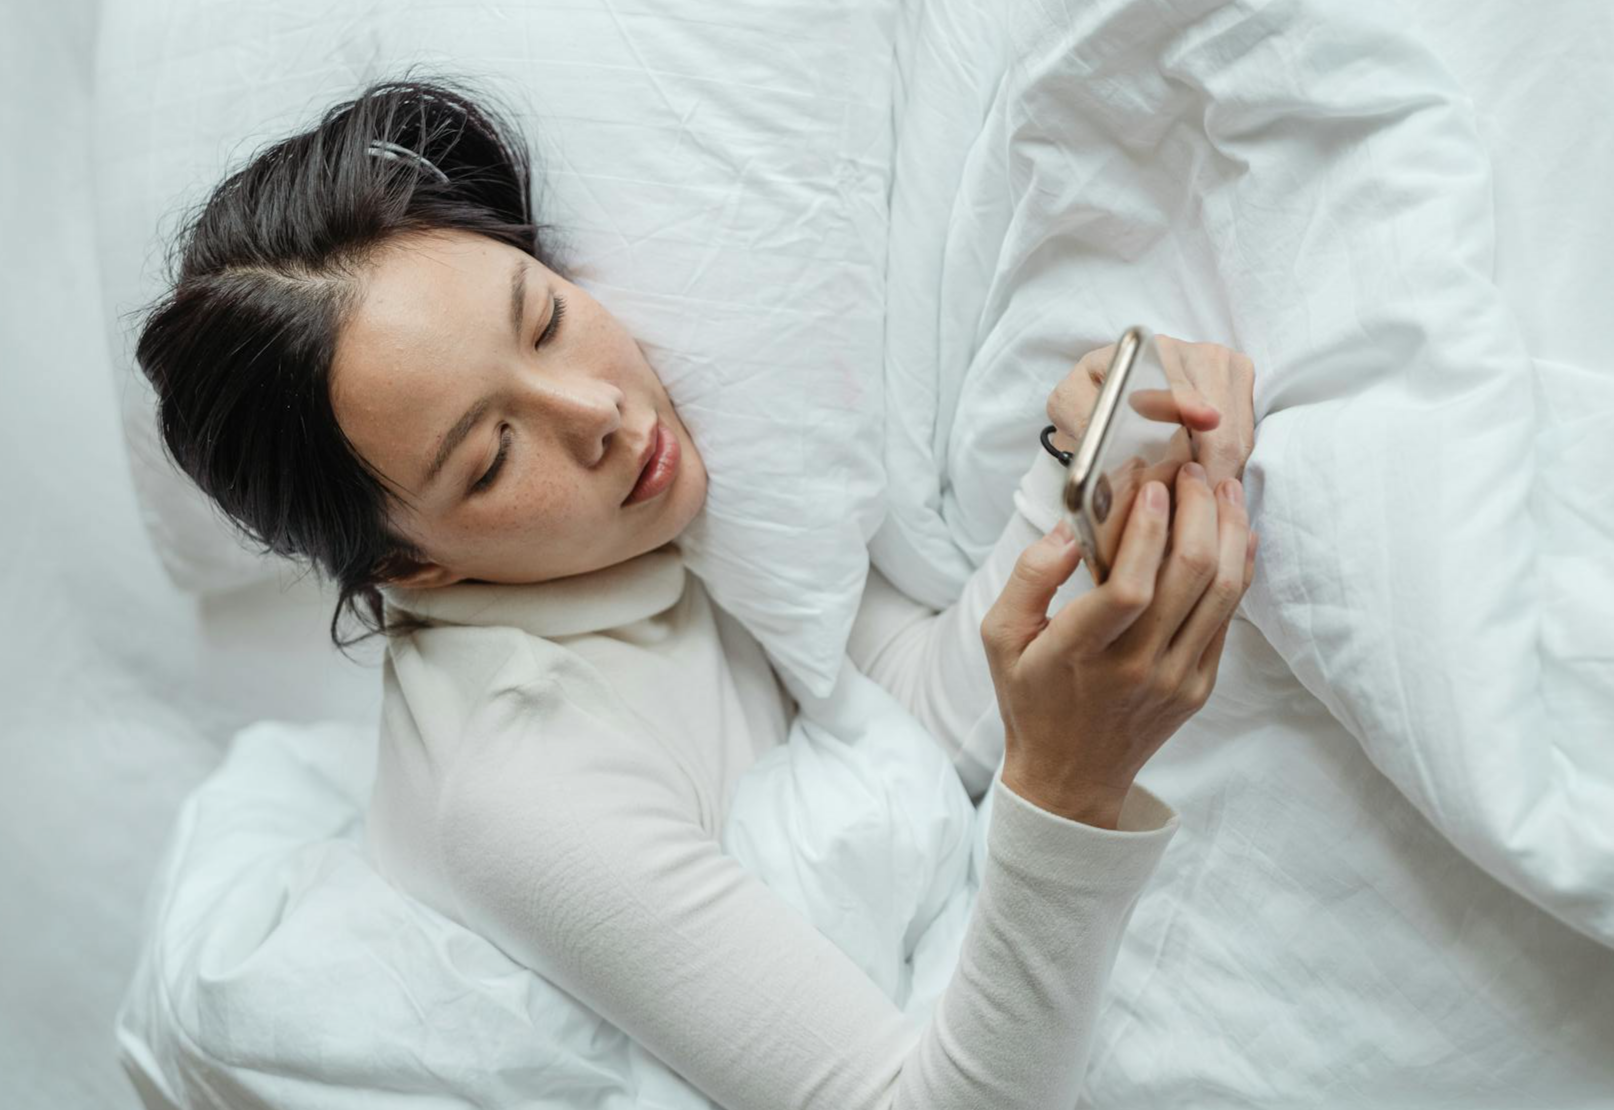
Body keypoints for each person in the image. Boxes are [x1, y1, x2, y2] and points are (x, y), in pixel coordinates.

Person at [132, 76, 1258, 1110]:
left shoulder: (652, 507)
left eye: (546, 321)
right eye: (492, 456)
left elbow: (898, 714)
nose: (599, 414)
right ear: (413, 569)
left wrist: (1077, 475)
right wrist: (1070, 794)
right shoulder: (526, 790)